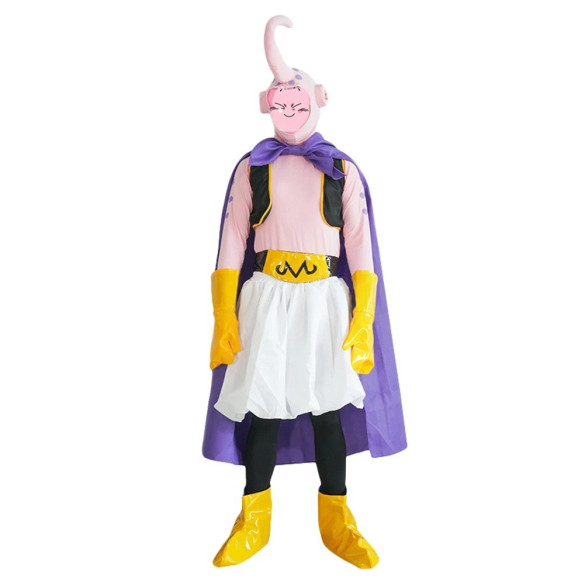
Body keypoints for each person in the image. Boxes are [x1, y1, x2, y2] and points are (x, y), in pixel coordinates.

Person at [202, 15, 407, 569]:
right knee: (264, 411)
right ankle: (253, 520)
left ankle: (336, 520)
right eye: (280, 99)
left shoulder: (340, 169)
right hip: (266, 299)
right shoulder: (253, 168)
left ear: (318, 100)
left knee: (327, 411)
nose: (289, 108)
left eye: (297, 99)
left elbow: (359, 246)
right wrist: (224, 315)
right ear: (267, 103)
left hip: (323, 303)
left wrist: (363, 316)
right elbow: (232, 242)